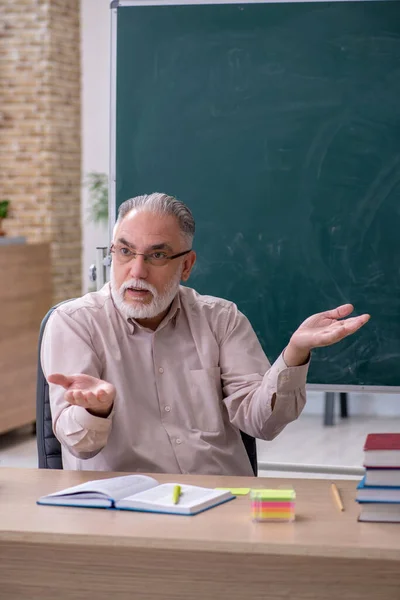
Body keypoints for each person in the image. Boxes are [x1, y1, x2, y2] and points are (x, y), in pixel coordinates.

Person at [42, 193, 370, 475]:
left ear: (187, 265)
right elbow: (79, 444)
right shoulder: (74, 323)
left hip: (223, 503)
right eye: (125, 252)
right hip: (125, 509)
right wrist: (94, 409)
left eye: (156, 255)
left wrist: (295, 352)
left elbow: (263, 424)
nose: (137, 271)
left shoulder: (220, 319)